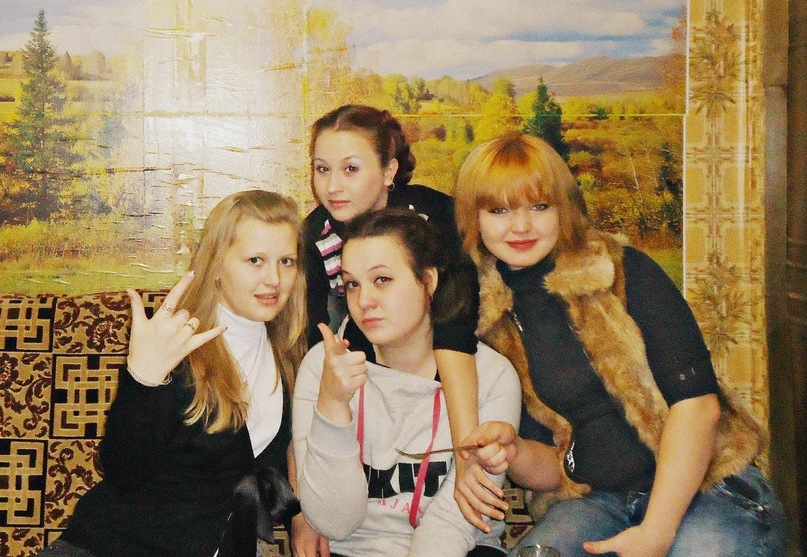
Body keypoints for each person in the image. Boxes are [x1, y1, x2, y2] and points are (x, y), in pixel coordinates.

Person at [454, 133, 787, 557]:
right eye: (499, 210)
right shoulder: (486, 317)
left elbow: (698, 408)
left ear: (564, 208)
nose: (520, 226)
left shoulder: (621, 270)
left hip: (710, 486)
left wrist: (655, 533)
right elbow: (555, 469)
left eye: (539, 207)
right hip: (598, 501)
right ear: (474, 218)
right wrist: (512, 451)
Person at [38, 190, 307, 557]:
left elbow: (293, 447)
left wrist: (302, 515)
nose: (274, 278)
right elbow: (123, 472)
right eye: (255, 260)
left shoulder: (288, 353)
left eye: (286, 261)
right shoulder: (176, 344)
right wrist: (143, 379)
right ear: (215, 265)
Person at [302, 104, 500, 533]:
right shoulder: (316, 235)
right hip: (362, 365)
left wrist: (466, 452)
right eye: (322, 169)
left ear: (389, 170)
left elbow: (454, 327)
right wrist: (304, 504)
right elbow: (310, 353)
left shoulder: (435, 218)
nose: (332, 186)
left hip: (443, 363)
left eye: (350, 169)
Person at [292, 209, 521, 557]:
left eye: (382, 279)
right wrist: (333, 407)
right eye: (353, 284)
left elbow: (456, 521)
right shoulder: (323, 368)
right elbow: (334, 524)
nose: (364, 301)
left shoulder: (492, 376)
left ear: (429, 281)